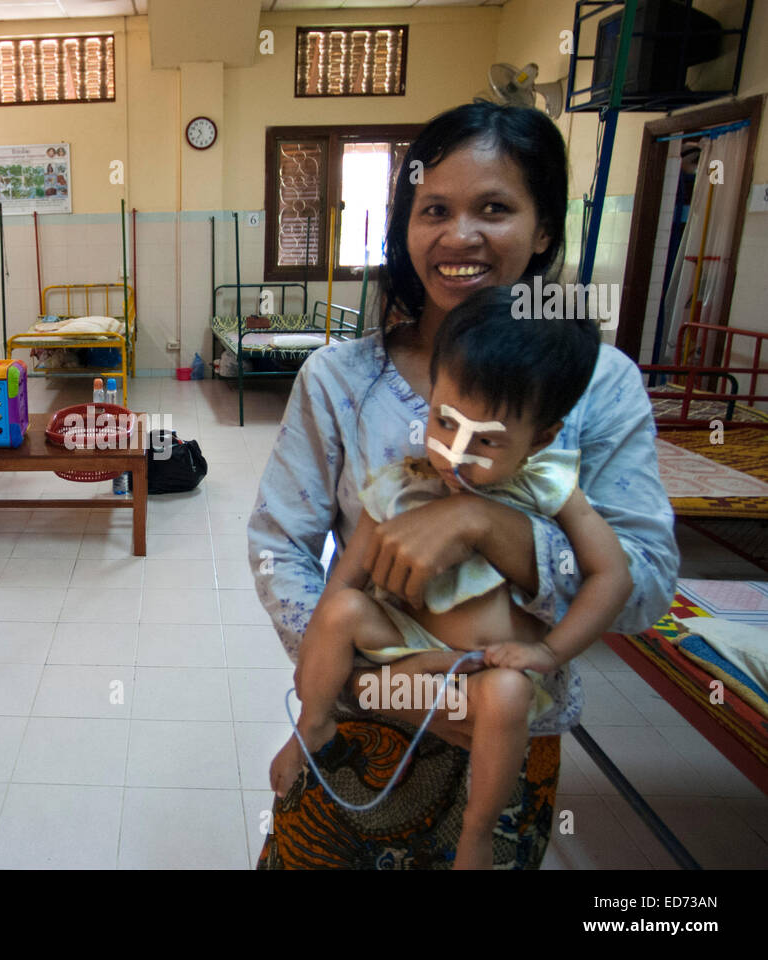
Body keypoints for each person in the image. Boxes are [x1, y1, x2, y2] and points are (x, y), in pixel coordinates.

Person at [249, 101, 678, 870]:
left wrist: (485, 526)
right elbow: (280, 545)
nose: (459, 236)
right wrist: (360, 683)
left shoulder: (601, 386)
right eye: (434, 209)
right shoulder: (343, 380)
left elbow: (642, 589)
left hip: (507, 729)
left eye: (495, 208)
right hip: (360, 717)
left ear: (544, 229)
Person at [271, 286, 634, 869]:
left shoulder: (549, 486)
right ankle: (309, 731)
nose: (457, 454)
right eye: (444, 422)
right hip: (398, 655)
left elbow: (613, 576)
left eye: (486, 441)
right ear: (432, 394)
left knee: (509, 693)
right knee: (337, 612)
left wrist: (548, 650)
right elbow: (342, 582)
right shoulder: (398, 482)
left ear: (541, 437)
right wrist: (360, 680)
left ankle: (478, 831)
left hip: (487, 676)